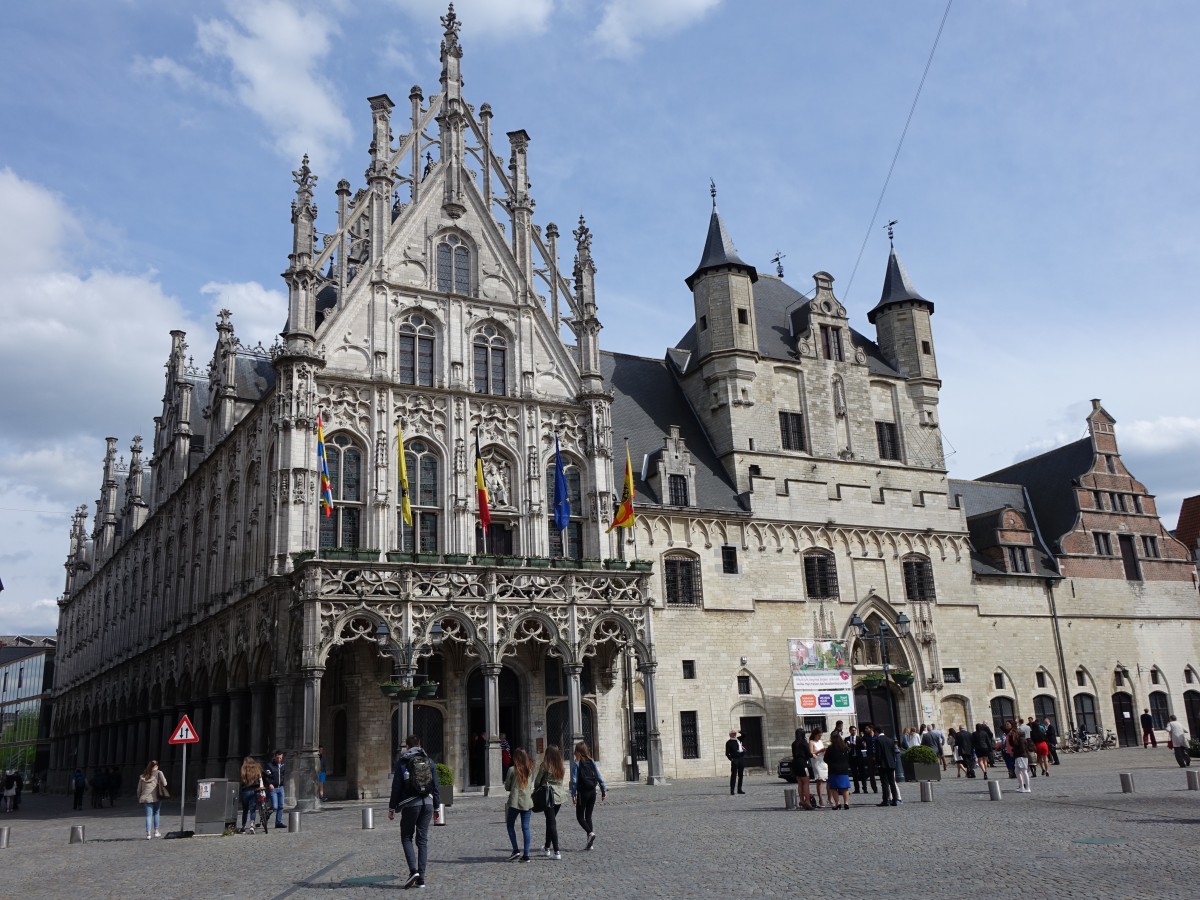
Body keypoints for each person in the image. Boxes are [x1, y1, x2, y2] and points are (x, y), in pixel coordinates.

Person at [388, 734, 441, 888]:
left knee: (406, 837)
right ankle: (421, 878)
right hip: (428, 803)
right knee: (422, 840)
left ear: (407, 746)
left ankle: (413, 871)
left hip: (411, 804)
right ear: (420, 744)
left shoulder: (403, 762)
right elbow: (436, 786)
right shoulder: (429, 761)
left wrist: (392, 807)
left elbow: (396, 786)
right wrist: (437, 807)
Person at [570, 740, 606, 850]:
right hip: (593, 792)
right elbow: (599, 776)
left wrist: (573, 794)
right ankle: (590, 844)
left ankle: (590, 833)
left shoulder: (576, 763)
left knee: (580, 817)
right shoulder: (591, 761)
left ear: (578, 752)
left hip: (583, 793)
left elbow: (574, 780)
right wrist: (603, 790)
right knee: (588, 816)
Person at [535, 744, 567, 859]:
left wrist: (537, 788)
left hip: (548, 796)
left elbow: (537, 781)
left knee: (551, 823)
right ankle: (547, 847)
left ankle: (557, 851)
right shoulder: (560, 766)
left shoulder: (545, 765)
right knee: (550, 821)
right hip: (559, 797)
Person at [503, 747, 534, 862]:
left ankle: (515, 850)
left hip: (515, 802)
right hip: (527, 802)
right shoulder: (529, 770)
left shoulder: (512, 770)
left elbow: (507, 787)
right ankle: (526, 855)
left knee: (510, 825)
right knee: (525, 828)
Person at [136, 760, 167, 839]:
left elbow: (139, 789)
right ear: (156, 766)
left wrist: (139, 796)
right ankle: (156, 831)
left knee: (148, 815)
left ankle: (148, 834)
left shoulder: (143, 776)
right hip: (156, 797)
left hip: (146, 798)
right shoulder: (159, 773)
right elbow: (165, 783)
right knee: (156, 813)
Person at [869, 725, 900, 806]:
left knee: (885, 783)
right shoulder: (890, 740)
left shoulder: (878, 740)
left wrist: (877, 763)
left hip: (882, 764)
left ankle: (885, 800)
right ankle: (895, 800)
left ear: (876, 732)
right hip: (891, 764)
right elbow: (893, 753)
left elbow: (878, 754)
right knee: (892, 782)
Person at [824, 731, 852, 810]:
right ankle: (846, 803)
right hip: (843, 769)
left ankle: (837, 803)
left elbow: (825, 759)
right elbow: (848, 758)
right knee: (845, 787)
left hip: (833, 769)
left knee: (833, 787)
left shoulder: (830, 748)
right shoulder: (845, 748)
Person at [239, 756, 264, 833]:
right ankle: (252, 825)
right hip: (254, 791)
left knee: (245, 810)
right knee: (253, 809)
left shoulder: (243, 769)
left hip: (245, 791)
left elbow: (242, 780)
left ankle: (243, 826)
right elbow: (260, 778)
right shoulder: (257, 769)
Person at [791, 727, 814, 809]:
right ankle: (807, 801)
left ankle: (801, 800)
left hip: (795, 763)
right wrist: (813, 754)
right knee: (806, 782)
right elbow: (809, 754)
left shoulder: (794, 743)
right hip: (802, 763)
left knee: (800, 783)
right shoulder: (804, 742)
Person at [263, 750, 286, 828]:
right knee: (275, 806)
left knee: (281, 806)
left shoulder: (282, 765)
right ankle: (267, 814)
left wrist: (283, 782)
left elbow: (283, 775)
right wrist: (269, 784)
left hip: (281, 787)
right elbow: (266, 776)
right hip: (273, 788)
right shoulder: (270, 765)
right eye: (278, 758)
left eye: (280, 758)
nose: (279, 759)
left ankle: (278, 822)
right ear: (275, 757)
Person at [808, 726, 829, 808]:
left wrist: (824, 751)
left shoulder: (820, 741)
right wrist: (820, 751)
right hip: (816, 762)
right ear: (815, 734)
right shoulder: (811, 742)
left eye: (821, 735)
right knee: (819, 779)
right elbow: (811, 753)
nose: (820, 737)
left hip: (823, 761)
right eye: (819, 735)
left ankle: (829, 798)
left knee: (827, 779)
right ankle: (820, 799)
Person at [1008, 727, 1031, 793]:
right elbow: (1012, 744)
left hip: (1021, 756)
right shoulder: (1018, 739)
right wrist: (1010, 736)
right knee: (1017, 771)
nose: (1013, 735)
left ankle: (1027, 787)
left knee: (1024, 771)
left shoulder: (1021, 739)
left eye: (1013, 733)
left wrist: (1014, 750)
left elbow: (1022, 748)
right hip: (1018, 756)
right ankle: (1022, 787)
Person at [724, 729, 746, 795]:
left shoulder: (738, 740)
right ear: (730, 735)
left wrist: (739, 731)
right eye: (733, 733)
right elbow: (727, 753)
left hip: (741, 758)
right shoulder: (728, 742)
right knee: (733, 775)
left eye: (735, 733)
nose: (734, 734)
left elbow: (745, 735)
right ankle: (732, 790)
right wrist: (731, 759)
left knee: (741, 775)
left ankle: (739, 789)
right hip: (735, 759)